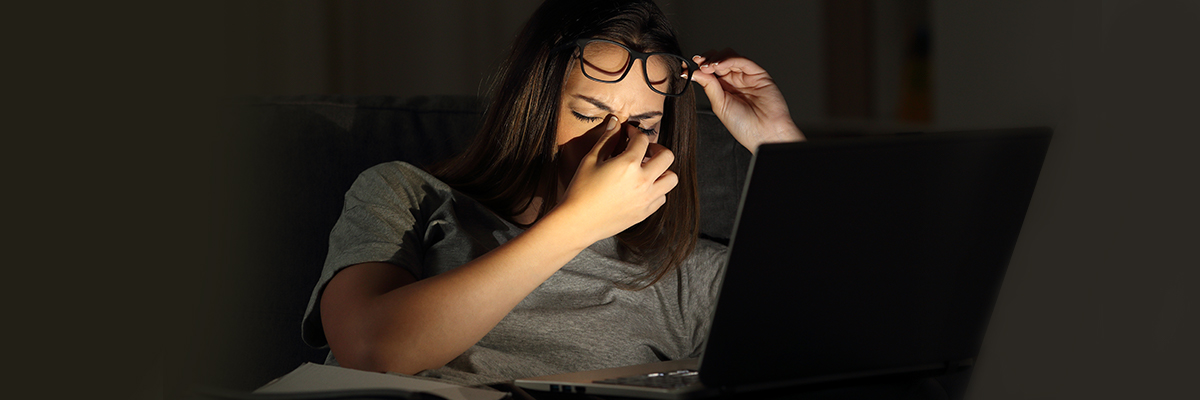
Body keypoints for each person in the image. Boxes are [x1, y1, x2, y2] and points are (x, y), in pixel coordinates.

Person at [301, 0, 804, 387]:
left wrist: (780, 146)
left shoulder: (684, 275)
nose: (616, 143)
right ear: (532, 106)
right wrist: (576, 224)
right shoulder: (406, 195)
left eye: (645, 124)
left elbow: (863, 325)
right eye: (588, 115)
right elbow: (370, 350)